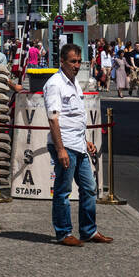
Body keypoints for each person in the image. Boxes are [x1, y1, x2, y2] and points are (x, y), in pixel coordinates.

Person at [43, 43, 113, 246]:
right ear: (62, 62)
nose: (76, 65)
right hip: (65, 145)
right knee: (63, 190)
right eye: (72, 61)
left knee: (89, 188)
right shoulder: (55, 84)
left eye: (78, 61)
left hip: (78, 144)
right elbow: (53, 119)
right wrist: (60, 149)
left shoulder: (73, 83)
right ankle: (64, 233)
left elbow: (74, 117)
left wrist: (85, 140)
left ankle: (88, 230)